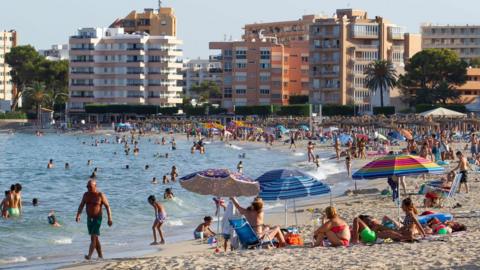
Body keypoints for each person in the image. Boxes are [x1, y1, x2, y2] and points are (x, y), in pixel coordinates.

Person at [76, 179, 113, 260]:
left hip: (97, 218)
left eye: (90, 186)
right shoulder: (86, 195)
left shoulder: (100, 195)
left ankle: (89, 255)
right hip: (89, 219)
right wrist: (78, 215)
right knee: (95, 238)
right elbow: (81, 205)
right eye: (87, 186)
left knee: (93, 237)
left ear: (95, 186)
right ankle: (100, 255)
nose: (88, 188)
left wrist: (109, 218)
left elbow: (107, 206)